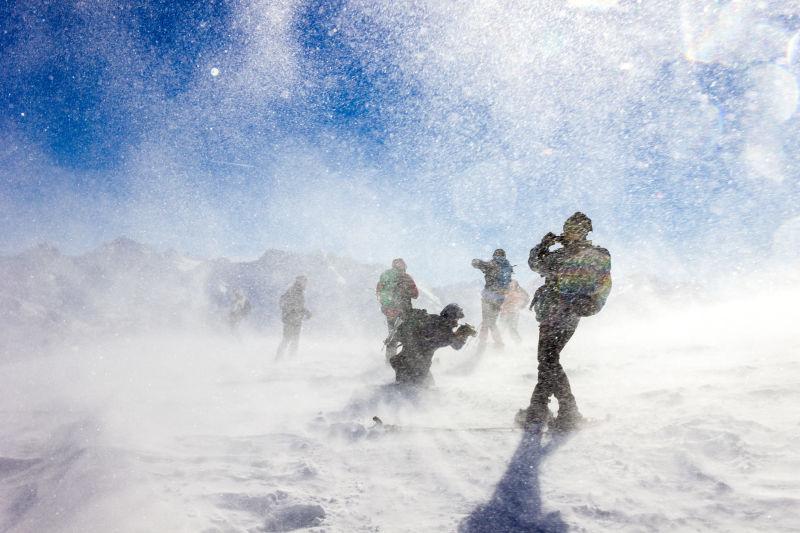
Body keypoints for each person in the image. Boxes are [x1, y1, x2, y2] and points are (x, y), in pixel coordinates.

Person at [518, 212, 611, 431]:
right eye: (568, 229)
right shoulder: (573, 255)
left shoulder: (579, 255)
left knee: (547, 360)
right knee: (548, 360)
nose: (571, 233)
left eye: (575, 229)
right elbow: (535, 264)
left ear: (584, 231)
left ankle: (563, 412)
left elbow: (536, 264)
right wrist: (545, 245)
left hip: (562, 315)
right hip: (556, 314)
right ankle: (540, 411)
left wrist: (544, 246)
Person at [389, 304, 476, 386]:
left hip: (402, 361)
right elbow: (456, 345)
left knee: (405, 387)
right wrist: (464, 334)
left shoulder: (432, 319)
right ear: (451, 317)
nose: (457, 322)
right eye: (456, 319)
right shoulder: (445, 331)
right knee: (421, 389)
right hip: (416, 368)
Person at [471, 249, 514, 354]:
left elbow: (476, 263)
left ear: (495, 255)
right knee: (492, 322)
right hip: (499, 298)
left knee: (486, 322)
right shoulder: (508, 267)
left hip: (488, 297)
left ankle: (483, 345)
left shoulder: (492, 264)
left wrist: (476, 261)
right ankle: (498, 344)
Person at [376, 258, 419, 361]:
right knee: (410, 335)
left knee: (393, 335)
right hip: (404, 310)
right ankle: (409, 360)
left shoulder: (384, 276)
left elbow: (378, 292)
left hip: (389, 311)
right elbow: (415, 294)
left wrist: (387, 307)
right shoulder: (406, 277)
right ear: (403, 267)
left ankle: (390, 361)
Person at [275, 275, 312, 359]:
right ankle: (278, 358)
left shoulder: (300, 292)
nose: (306, 284)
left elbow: (299, 306)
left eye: (306, 282)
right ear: (299, 281)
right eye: (304, 282)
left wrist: (306, 312)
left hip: (297, 320)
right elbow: (291, 305)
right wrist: (293, 312)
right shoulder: (293, 291)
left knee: (295, 341)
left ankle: (291, 358)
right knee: (287, 339)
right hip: (290, 320)